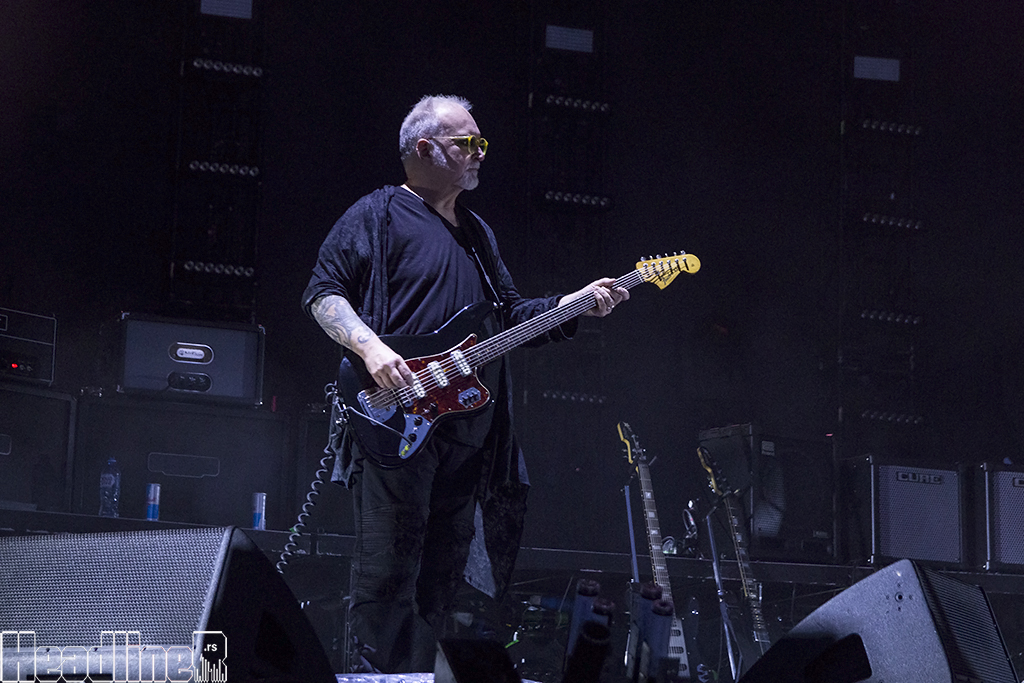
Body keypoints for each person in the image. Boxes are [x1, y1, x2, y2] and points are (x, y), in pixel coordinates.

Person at [301, 94, 628, 673]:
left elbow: (509, 318)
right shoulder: (378, 213)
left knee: (443, 577)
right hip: (396, 417)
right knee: (388, 573)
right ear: (424, 148)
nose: (480, 153)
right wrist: (371, 348)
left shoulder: (478, 234)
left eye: (482, 143)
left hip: (466, 432)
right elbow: (323, 293)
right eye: (467, 143)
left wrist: (574, 304)